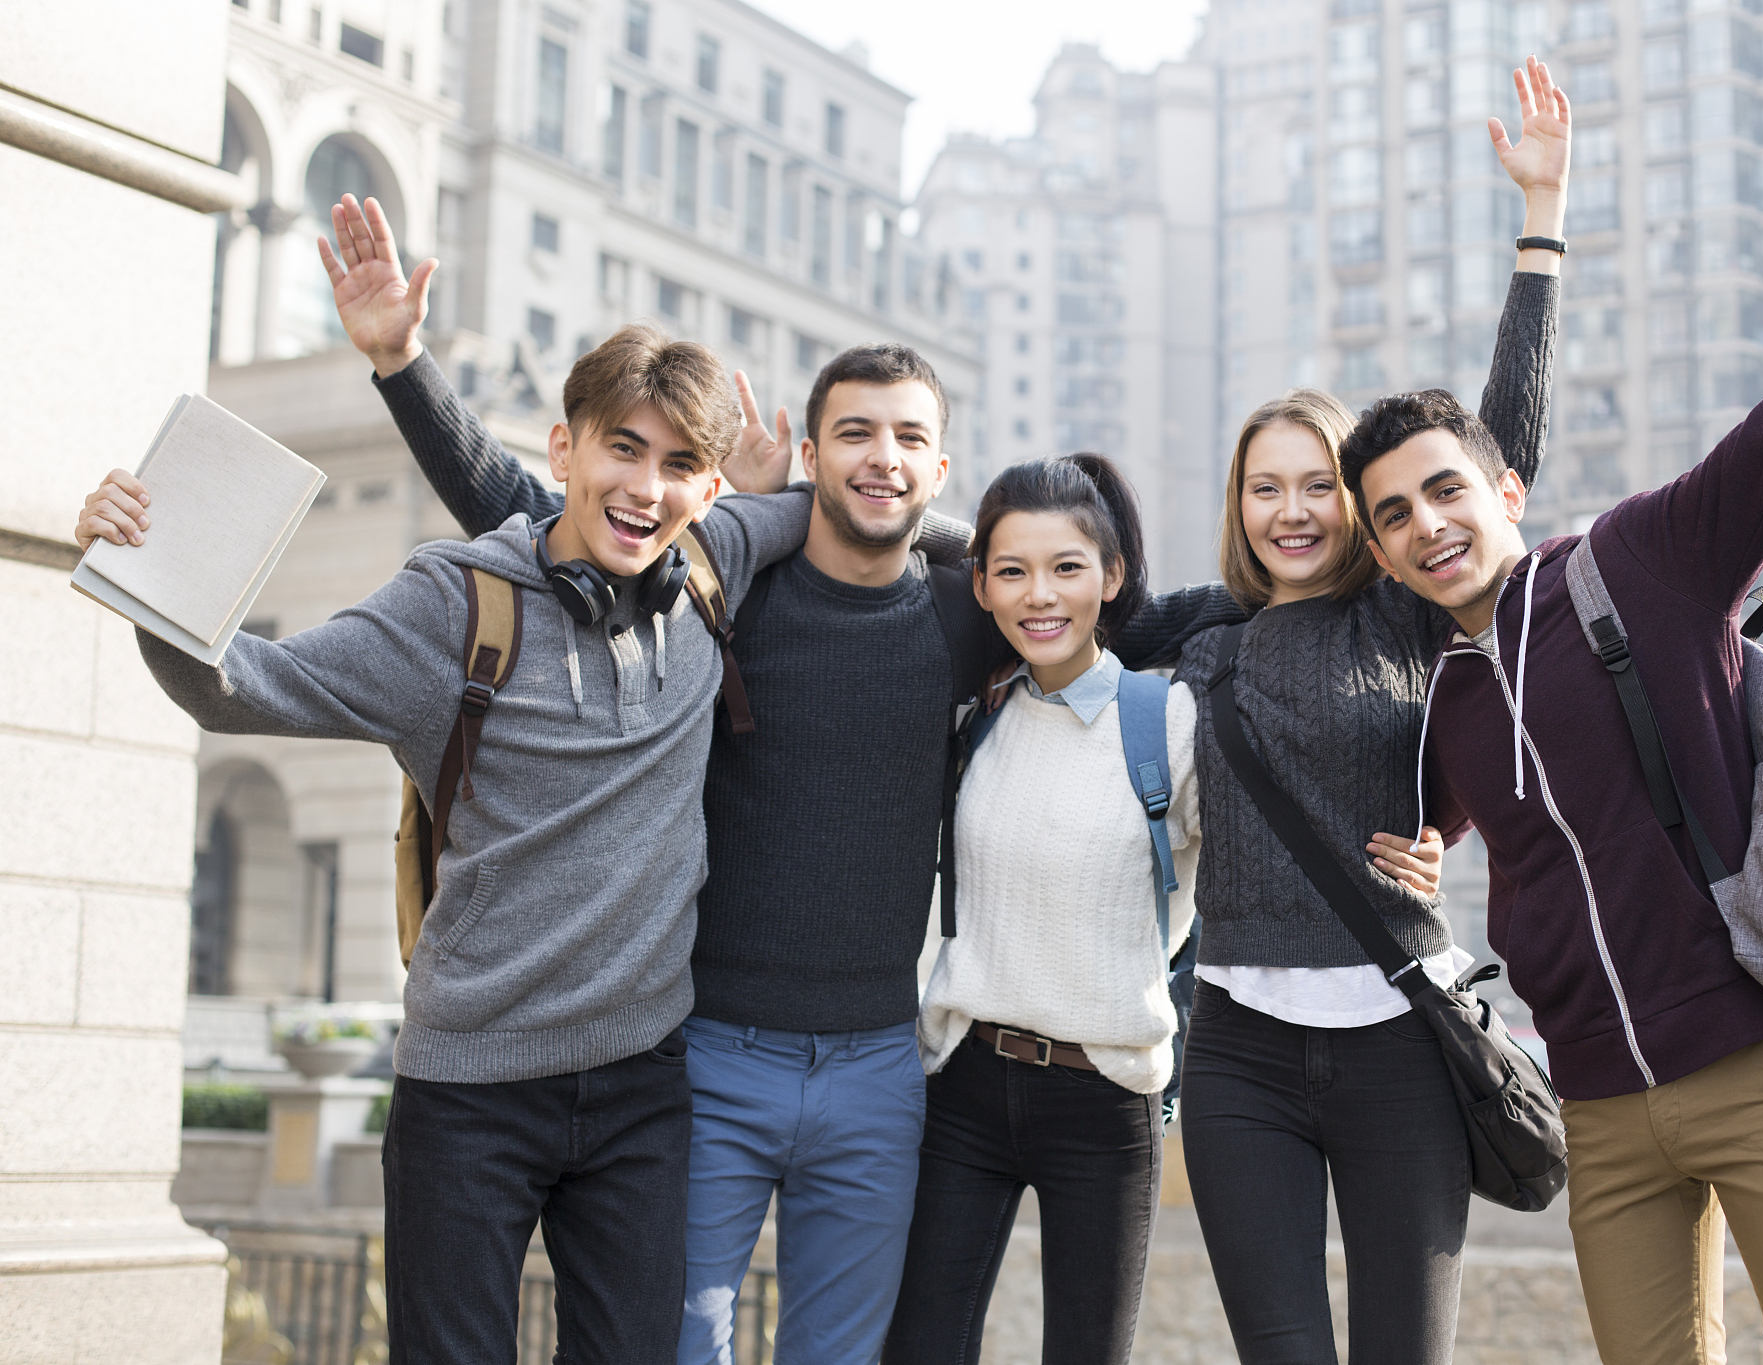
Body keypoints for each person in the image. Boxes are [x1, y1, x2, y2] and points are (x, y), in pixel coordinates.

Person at [310, 196, 1245, 1363]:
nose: (881, 458)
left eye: (907, 439)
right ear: (807, 454)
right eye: (853, 434)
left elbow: (1140, 611)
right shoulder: (716, 585)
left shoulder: (971, 616)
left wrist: (1316, 581)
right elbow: (535, 512)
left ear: (938, 464)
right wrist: (402, 365)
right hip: (703, 1057)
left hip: (875, 1068)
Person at [1342, 110, 1763, 1365]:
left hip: (1756, 1067)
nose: (1426, 525)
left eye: (1445, 490)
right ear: (1377, 552)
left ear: (1503, 490)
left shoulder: (1639, 564)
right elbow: (1414, 826)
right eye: (1392, 516)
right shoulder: (1446, 699)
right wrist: (1423, 852)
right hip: (1596, 1107)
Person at [73, 329, 814, 1364]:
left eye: (681, 464)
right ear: (563, 452)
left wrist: (1074, 583)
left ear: (711, 486)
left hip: (642, 1086)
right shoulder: (454, 605)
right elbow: (238, 684)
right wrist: (147, 566)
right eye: (624, 450)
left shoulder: (708, 567)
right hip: (468, 1093)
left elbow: (867, 511)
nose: (647, 488)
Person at [1167, 56, 1567, 1365]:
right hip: (1235, 1054)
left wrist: (1541, 228)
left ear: (1360, 509)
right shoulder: (1205, 635)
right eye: (1261, 487)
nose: (1289, 509)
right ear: (1238, 506)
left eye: (1316, 486)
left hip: (1402, 1036)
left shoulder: (1406, 610)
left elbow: (1496, 446)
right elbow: (1043, 571)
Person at [881, 452, 1446, 1364]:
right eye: (1013, 571)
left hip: (1108, 1099)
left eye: (1068, 568)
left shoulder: (1172, 721)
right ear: (980, 583)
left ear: (1112, 579)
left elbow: (1292, 829)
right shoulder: (974, 708)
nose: (1040, 596)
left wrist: (1424, 837)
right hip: (963, 1083)